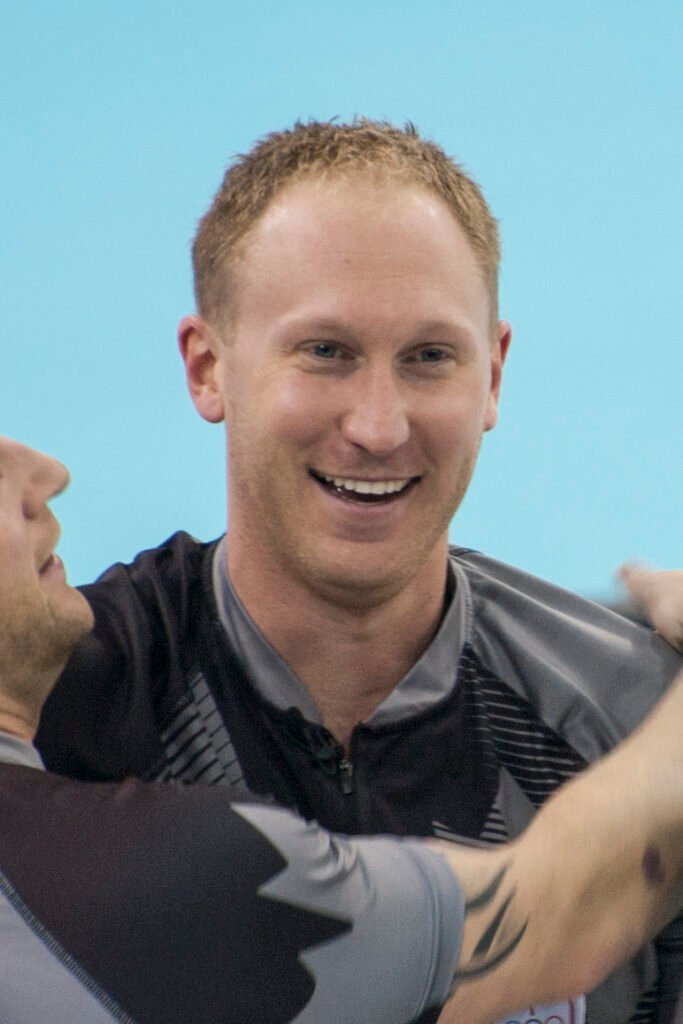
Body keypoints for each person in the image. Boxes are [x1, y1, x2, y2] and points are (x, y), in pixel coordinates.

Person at [34, 120, 683, 1023]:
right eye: (326, 353)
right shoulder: (62, 708)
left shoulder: (632, 719)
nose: (378, 427)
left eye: (428, 358)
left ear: (492, 376)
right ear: (207, 366)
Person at [2, 435, 683, 1024]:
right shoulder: (180, 871)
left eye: (428, 357)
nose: (44, 470)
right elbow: (561, 910)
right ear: (207, 370)